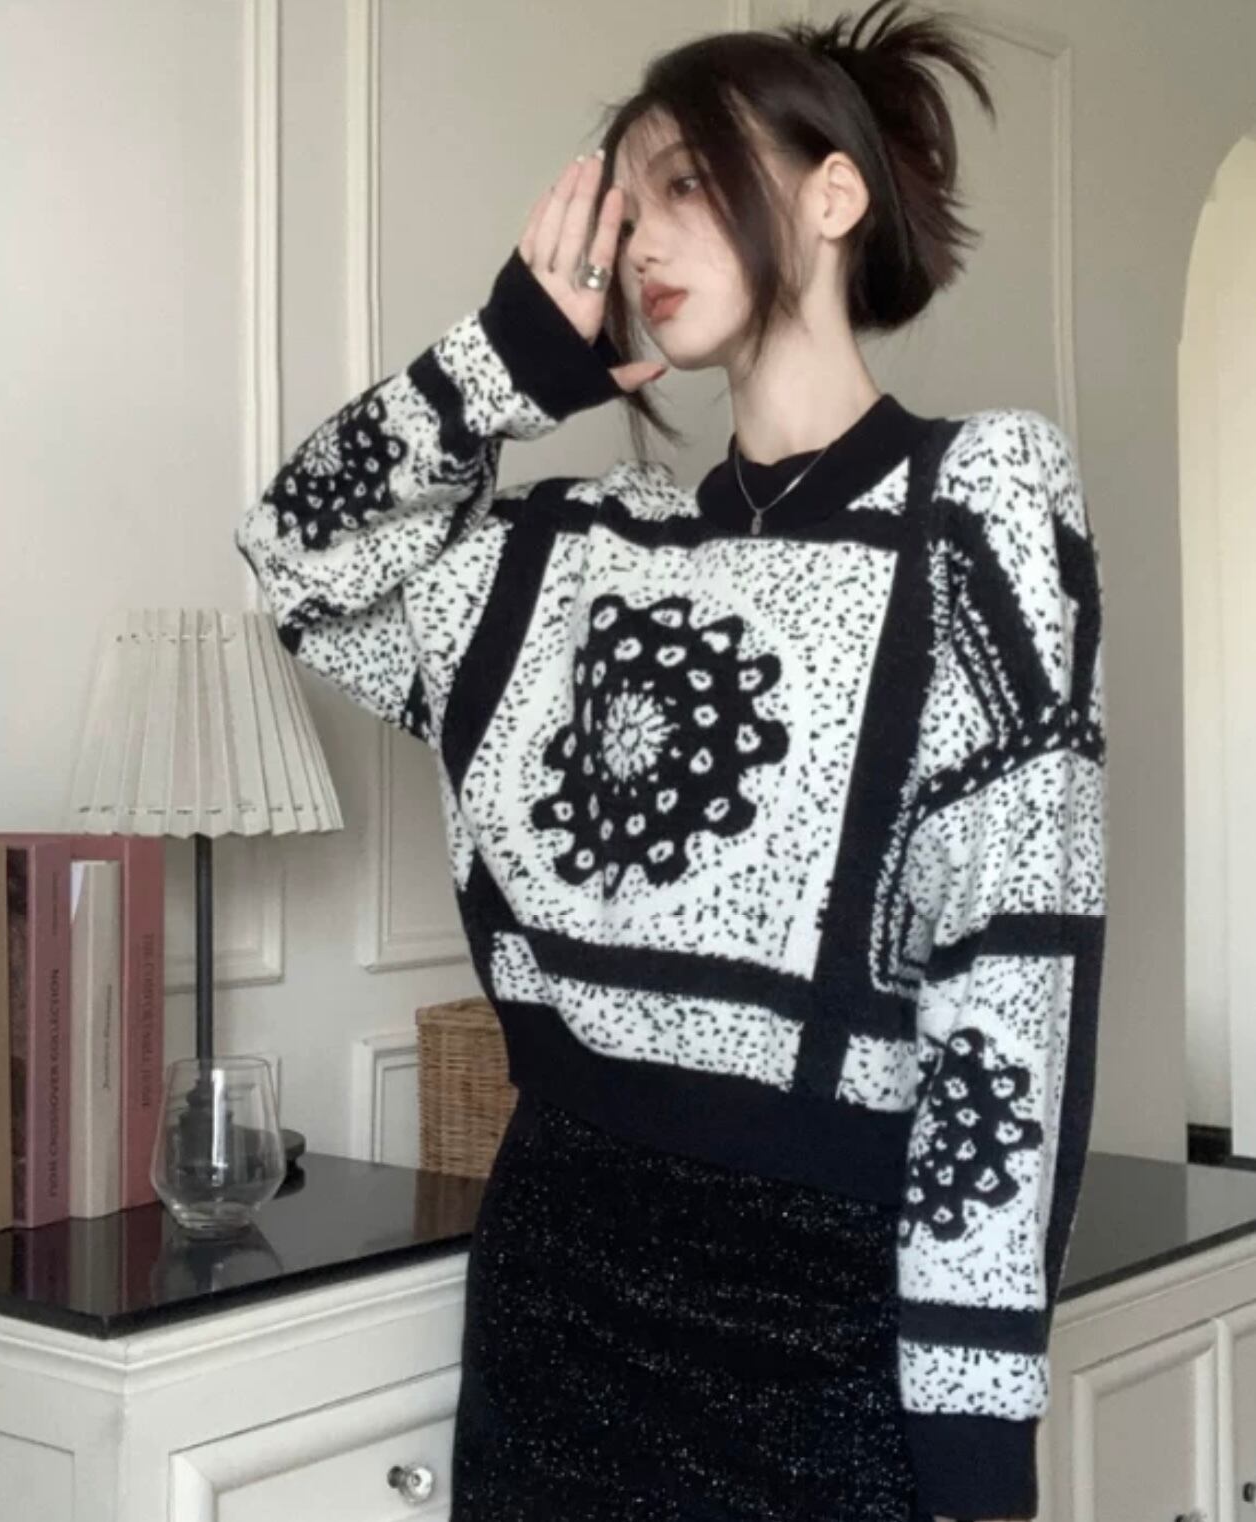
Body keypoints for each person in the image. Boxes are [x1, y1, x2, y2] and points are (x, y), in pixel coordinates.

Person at [234, 1, 1106, 1517]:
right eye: (626, 203)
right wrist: (505, 363)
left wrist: (974, 1422)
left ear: (833, 196)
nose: (641, 237)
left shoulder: (973, 506)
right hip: (557, 1284)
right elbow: (293, 555)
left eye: (691, 180)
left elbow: (1012, 977)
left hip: (827, 1316)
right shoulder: (574, 555)